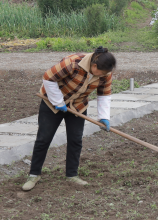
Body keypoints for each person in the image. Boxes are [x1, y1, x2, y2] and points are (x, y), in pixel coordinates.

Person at [23, 47, 116, 191]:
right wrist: (58, 102)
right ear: (94, 66)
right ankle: (34, 174)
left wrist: (104, 117)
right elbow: (48, 77)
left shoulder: (105, 74)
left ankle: (72, 175)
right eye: (102, 72)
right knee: (44, 138)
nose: (104, 75)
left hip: (77, 106)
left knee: (75, 140)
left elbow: (104, 94)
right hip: (51, 103)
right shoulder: (72, 63)